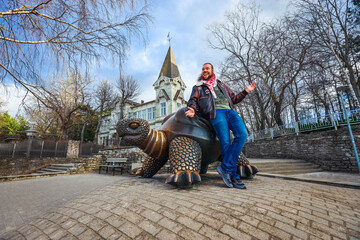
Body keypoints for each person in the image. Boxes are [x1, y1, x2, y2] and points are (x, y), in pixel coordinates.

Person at [186, 63, 255, 189]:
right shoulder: (198, 87)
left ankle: (225, 168)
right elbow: (193, 100)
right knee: (225, 142)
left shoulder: (221, 84)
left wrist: (246, 91)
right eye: (203, 69)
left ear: (212, 70)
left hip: (230, 111)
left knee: (243, 134)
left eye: (207, 68)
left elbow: (234, 99)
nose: (204, 70)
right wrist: (192, 109)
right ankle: (234, 177)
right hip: (215, 113)